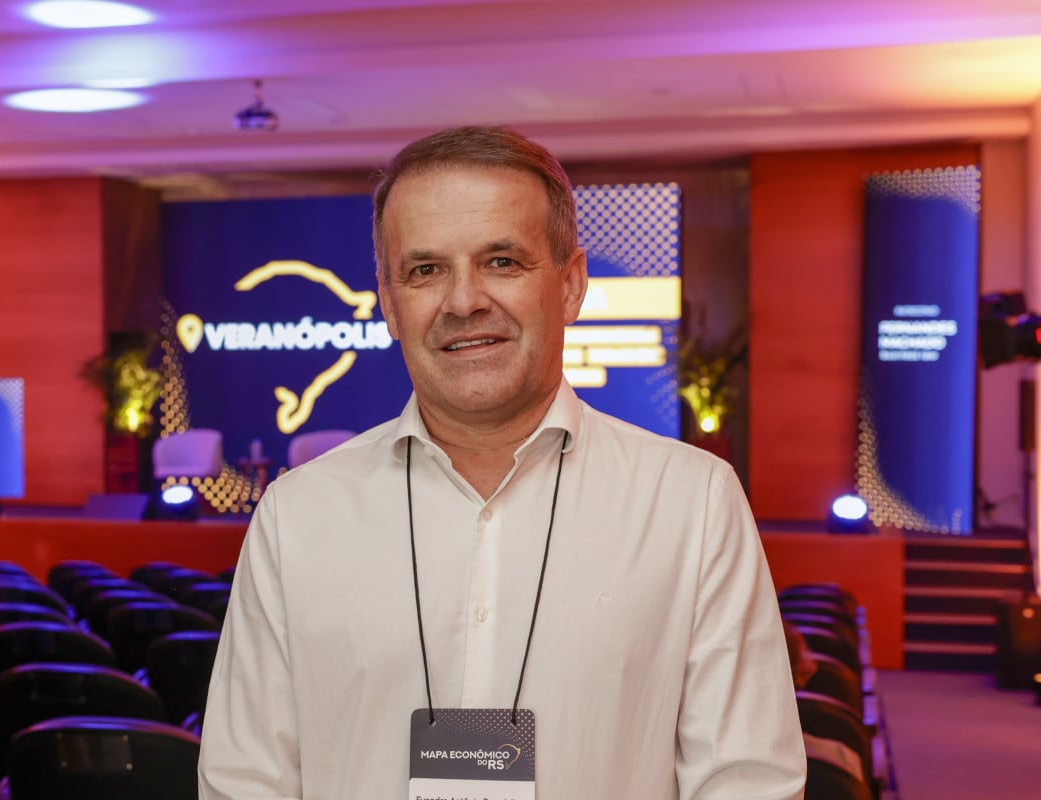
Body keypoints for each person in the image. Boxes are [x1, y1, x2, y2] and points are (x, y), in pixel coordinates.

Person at [199, 125, 806, 799]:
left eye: (502, 261)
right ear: (390, 304)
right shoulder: (297, 515)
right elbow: (245, 781)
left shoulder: (692, 503)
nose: (464, 301)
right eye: (425, 270)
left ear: (571, 286)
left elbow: (746, 782)